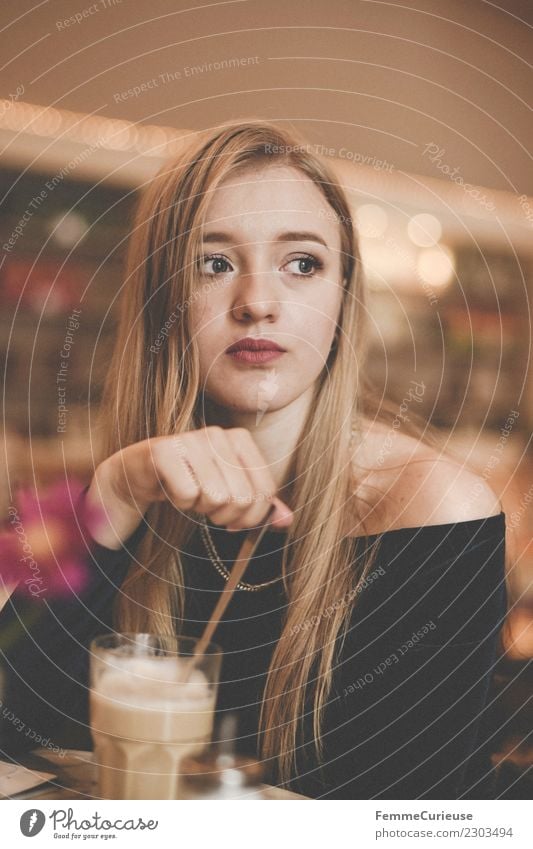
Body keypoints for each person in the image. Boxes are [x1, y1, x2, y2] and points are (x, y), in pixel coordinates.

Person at [0, 121, 508, 799]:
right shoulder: (129, 489)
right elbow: (14, 728)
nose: (258, 304)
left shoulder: (436, 508)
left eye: (302, 263)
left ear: (341, 295)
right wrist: (115, 493)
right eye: (213, 263)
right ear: (164, 300)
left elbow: (403, 818)